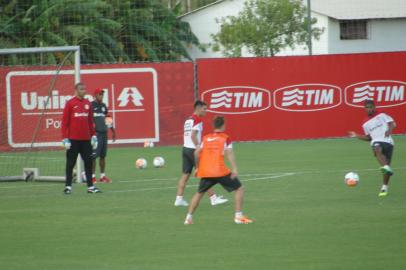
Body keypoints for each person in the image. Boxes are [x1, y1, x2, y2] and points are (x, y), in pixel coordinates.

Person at [184, 116, 253, 225]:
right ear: (223, 125)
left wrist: (197, 168)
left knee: (199, 193)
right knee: (239, 188)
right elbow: (229, 153)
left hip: (206, 171)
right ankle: (238, 216)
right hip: (219, 171)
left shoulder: (205, 138)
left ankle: (188, 218)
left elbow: (196, 153)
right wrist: (234, 168)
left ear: (214, 126)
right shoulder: (225, 138)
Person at [174, 100, 228, 207]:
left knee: (185, 174)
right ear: (198, 108)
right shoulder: (197, 120)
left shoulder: (188, 120)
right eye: (204, 109)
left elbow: (188, 134)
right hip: (193, 150)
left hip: (185, 149)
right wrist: (198, 146)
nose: (205, 111)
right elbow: (193, 135)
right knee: (205, 174)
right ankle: (213, 198)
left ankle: (178, 199)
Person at [349, 99, 396, 197]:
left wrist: (389, 131)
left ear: (374, 107)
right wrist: (356, 135)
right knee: (376, 147)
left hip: (388, 142)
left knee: (386, 168)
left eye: (370, 107)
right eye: (367, 107)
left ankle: (384, 187)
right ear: (364, 109)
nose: (369, 109)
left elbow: (392, 123)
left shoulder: (382, 114)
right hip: (376, 141)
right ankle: (385, 168)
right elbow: (369, 138)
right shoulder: (365, 123)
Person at [61, 82, 101, 194]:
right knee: (70, 163)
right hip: (73, 140)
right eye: (82, 89)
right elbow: (65, 122)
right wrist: (65, 138)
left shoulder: (88, 103)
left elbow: (90, 122)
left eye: (85, 89)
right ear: (76, 90)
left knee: (88, 163)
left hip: (86, 140)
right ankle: (68, 186)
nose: (84, 91)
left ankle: (91, 187)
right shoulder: (70, 103)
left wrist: (93, 136)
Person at [90, 88, 116, 183]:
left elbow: (107, 118)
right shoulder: (91, 106)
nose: (101, 96)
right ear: (95, 95)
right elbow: (88, 119)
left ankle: (102, 176)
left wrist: (113, 131)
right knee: (93, 156)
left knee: (103, 156)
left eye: (102, 94)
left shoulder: (104, 106)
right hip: (96, 134)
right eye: (99, 94)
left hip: (104, 134)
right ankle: (92, 177)